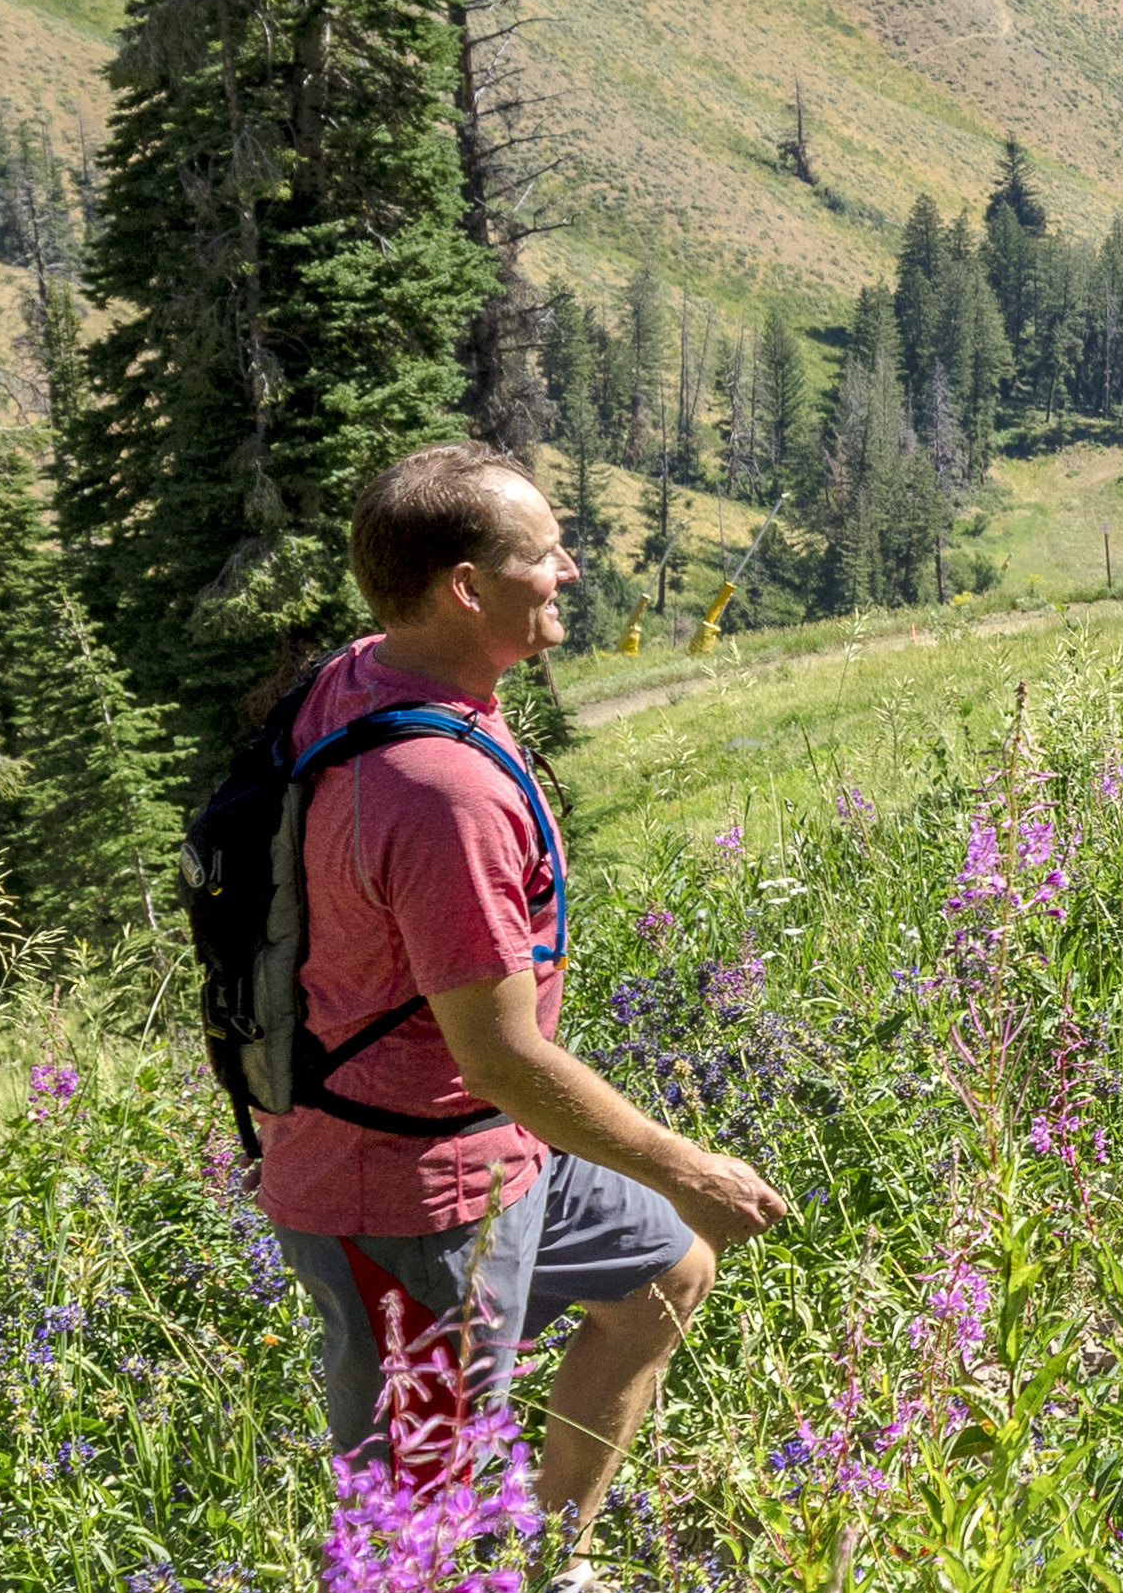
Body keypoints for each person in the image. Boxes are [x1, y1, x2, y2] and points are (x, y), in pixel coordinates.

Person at [256, 443, 780, 1529]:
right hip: (408, 1193)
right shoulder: (436, 792)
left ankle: (554, 1558)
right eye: (543, 554)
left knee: (663, 1275)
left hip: (495, 1144)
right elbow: (497, 1054)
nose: (569, 570)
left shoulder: (372, 670)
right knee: (416, 1519)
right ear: (465, 588)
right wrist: (689, 1166)